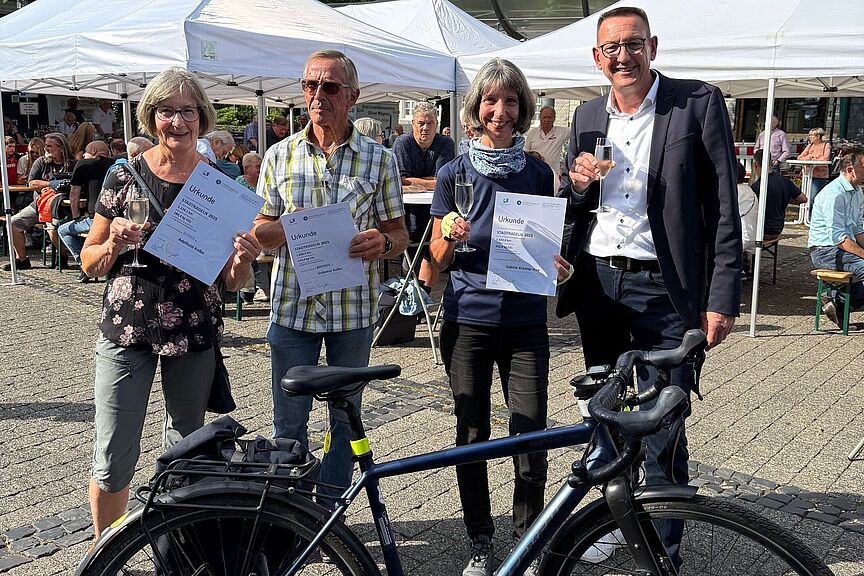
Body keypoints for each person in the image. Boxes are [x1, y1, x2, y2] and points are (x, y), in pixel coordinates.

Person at [556, 7, 740, 566]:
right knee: (607, 413)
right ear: (596, 57)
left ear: (652, 47)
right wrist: (579, 184)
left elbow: (724, 208)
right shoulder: (587, 116)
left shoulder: (696, 103)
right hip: (600, 284)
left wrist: (722, 295)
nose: (622, 56)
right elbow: (574, 207)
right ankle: (615, 521)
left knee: (663, 422)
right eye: (610, 48)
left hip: (665, 288)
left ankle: (664, 554)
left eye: (633, 44)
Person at [79, 66, 261, 542]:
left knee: (185, 448)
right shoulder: (124, 175)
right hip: (127, 328)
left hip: (193, 327)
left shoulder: (222, 186)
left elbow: (234, 281)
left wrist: (243, 259)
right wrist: (114, 243)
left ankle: (178, 549)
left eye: (187, 112)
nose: (176, 122)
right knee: (115, 452)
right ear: (150, 117)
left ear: (202, 118)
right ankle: (107, 555)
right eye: (166, 112)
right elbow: (89, 262)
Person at [429, 58, 571, 576]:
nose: (500, 110)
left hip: (527, 321)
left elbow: (546, 250)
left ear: (523, 109)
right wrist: (448, 236)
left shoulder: (537, 172)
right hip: (467, 320)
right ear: (476, 108)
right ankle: (480, 542)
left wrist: (560, 266)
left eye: (510, 101)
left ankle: (526, 540)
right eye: (491, 100)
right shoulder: (453, 173)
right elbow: (433, 265)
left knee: (530, 434)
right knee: (472, 436)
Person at [252, 49, 408, 511]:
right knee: (289, 421)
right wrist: (284, 228)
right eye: (310, 86)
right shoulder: (278, 156)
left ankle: (329, 514)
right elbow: (260, 231)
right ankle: (289, 517)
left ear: (353, 96)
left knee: (345, 421)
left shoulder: (379, 160)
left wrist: (382, 242)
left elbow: (399, 231)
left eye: (330, 87)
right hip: (292, 309)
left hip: (352, 311)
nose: (318, 96)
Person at [393, 102, 455, 292]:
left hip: (436, 210)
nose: (425, 128)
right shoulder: (403, 143)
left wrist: (416, 182)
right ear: (413, 123)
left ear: (436, 125)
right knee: (411, 255)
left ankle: (423, 298)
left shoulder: (445, 143)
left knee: (432, 253)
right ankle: (408, 297)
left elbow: (443, 180)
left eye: (430, 123)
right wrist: (430, 181)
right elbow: (401, 180)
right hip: (408, 211)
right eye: (421, 123)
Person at [3, 132, 75, 271]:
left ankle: (63, 256)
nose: (46, 149)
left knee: (52, 226)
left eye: (49, 146)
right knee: (13, 223)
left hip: (62, 206)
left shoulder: (72, 163)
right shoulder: (41, 162)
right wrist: (53, 184)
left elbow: (75, 184)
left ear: (60, 147)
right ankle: (22, 259)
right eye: (46, 146)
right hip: (39, 204)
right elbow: (32, 184)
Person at [808, 146, 864, 327]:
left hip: (842, 247)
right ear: (850, 169)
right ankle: (837, 299)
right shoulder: (834, 195)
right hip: (824, 251)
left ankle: (837, 303)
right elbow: (838, 238)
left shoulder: (857, 191)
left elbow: (858, 230)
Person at [57, 140, 115, 281]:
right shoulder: (115, 165)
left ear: (94, 150)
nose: (84, 156)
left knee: (62, 230)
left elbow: (74, 193)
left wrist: (76, 216)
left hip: (96, 219)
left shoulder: (83, 164)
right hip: (117, 218)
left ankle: (84, 265)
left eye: (86, 153)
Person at [750, 149, 806, 241]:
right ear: (771, 162)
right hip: (778, 227)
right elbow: (803, 199)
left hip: (763, 230)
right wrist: (788, 199)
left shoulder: (757, 186)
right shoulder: (784, 181)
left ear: (755, 165)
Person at [523, 105, 570, 190]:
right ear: (540, 118)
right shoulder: (532, 133)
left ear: (554, 118)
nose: (547, 120)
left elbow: (576, 130)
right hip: (534, 174)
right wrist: (534, 156)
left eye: (550, 117)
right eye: (544, 117)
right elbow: (525, 153)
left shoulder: (561, 132)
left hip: (552, 175)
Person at [798, 127, 831, 207]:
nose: (810, 137)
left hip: (819, 176)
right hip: (807, 175)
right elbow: (800, 157)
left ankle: (811, 216)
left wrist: (811, 157)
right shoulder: (810, 146)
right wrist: (807, 158)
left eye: (812, 135)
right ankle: (804, 216)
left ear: (818, 136)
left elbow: (825, 158)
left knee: (812, 197)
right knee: (804, 196)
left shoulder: (826, 145)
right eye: (809, 135)